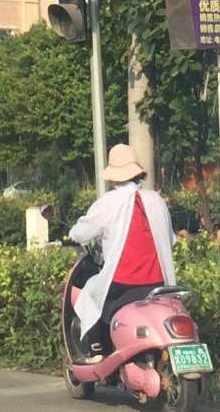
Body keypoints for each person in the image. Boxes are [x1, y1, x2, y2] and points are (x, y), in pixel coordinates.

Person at [67, 143, 176, 360]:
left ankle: (97, 350)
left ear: (113, 177)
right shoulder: (156, 200)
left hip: (123, 283)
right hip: (159, 283)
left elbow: (82, 232)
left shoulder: (108, 202)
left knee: (89, 293)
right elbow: (170, 240)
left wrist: (72, 234)